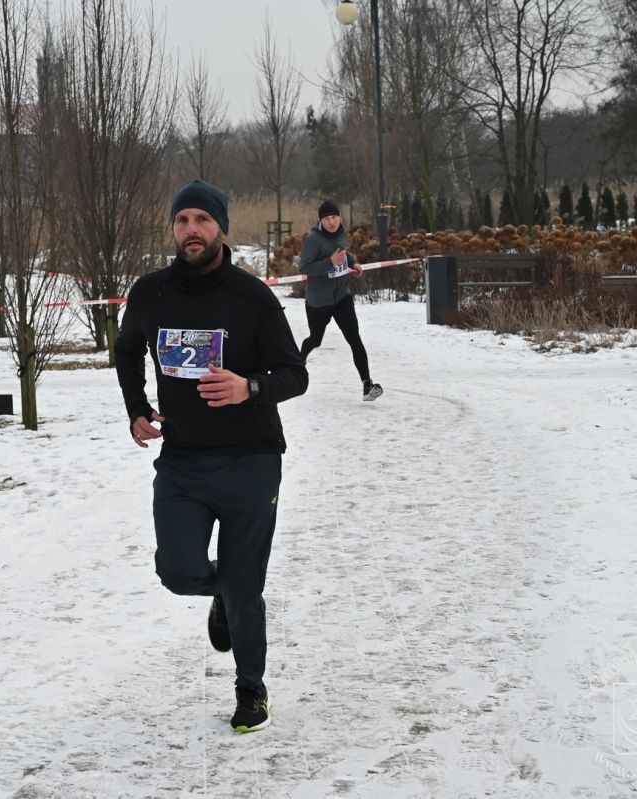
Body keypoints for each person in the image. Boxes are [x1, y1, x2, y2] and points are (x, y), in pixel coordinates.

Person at [115, 180, 309, 733]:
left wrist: (250, 387)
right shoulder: (150, 293)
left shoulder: (252, 298)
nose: (191, 230)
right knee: (178, 572)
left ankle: (251, 688)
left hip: (251, 459)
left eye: (202, 219)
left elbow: (295, 374)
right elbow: (127, 351)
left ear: (221, 227)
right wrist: (137, 408)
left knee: (246, 585)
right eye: (182, 220)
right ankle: (219, 589)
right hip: (182, 462)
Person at [297, 201, 383, 401]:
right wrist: (330, 263)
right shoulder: (314, 240)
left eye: (334, 217)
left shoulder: (342, 234)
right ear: (321, 221)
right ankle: (297, 363)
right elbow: (304, 267)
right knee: (315, 339)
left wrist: (354, 263)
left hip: (342, 297)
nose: (332, 222)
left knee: (354, 338)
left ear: (339, 217)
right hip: (319, 301)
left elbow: (343, 253)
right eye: (327, 218)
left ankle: (367, 385)